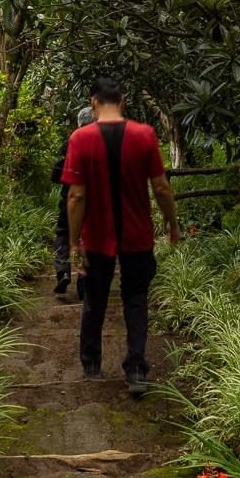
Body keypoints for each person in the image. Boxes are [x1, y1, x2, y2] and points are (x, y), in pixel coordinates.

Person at [61, 77, 181, 396]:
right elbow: (161, 187)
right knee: (135, 299)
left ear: (93, 103)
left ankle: (91, 365)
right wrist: (173, 224)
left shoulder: (80, 139)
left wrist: (74, 243)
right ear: (123, 101)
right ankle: (137, 369)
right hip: (137, 234)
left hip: (98, 236)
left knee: (95, 299)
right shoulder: (144, 135)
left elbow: (76, 196)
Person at [50, 105, 94, 295]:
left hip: (69, 199)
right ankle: (84, 284)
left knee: (62, 234)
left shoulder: (70, 142)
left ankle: (63, 272)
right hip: (93, 201)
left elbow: (56, 174)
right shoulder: (99, 142)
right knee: (88, 238)